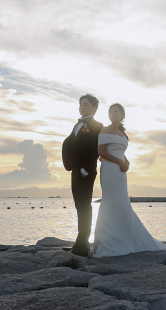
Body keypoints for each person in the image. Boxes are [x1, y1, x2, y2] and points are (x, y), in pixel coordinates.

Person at [92, 103, 166, 258]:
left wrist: (126, 162)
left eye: (116, 111)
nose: (113, 114)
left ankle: (126, 237)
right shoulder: (104, 130)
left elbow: (121, 151)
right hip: (110, 170)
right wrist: (119, 162)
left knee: (122, 201)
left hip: (121, 172)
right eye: (111, 111)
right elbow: (101, 152)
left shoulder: (122, 134)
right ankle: (108, 241)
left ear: (122, 115)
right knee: (111, 201)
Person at [61, 94, 103, 257]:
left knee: (85, 206)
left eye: (86, 105)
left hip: (85, 172)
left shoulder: (97, 126)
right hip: (75, 170)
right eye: (81, 104)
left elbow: (94, 149)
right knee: (79, 205)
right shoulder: (77, 126)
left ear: (94, 108)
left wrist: (84, 171)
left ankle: (83, 246)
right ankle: (79, 243)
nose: (82, 107)